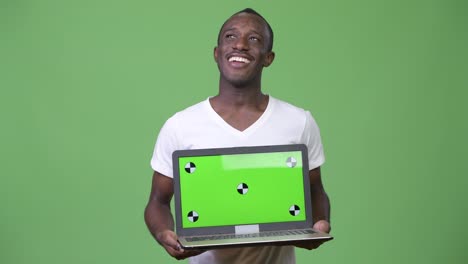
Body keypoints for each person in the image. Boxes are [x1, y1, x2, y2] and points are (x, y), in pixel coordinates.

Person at [144, 8, 331, 264]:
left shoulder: (299, 122)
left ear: (269, 57)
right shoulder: (181, 125)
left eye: (254, 39)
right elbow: (158, 201)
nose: (241, 45)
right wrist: (163, 233)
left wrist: (318, 225)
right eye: (230, 37)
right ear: (217, 53)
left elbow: (315, 190)